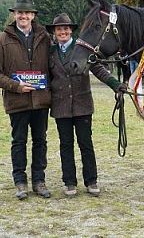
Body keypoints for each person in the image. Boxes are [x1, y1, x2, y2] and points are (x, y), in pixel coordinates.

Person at [46, 13, 127, 197]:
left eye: (66, 29)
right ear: (54, 32)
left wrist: (115, 84)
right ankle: (69, 182)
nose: (63, 32)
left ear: (71, 31)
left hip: (82, 104)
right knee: (65, 145)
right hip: (61, 106)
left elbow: (98, 69)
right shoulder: (50, 52)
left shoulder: (82, 49)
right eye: (59, 29)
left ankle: (91, 181)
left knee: (85, 144)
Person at [0, 0, 51, 200]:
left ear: (32, 15)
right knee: (18, 141)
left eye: (27, 12)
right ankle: (20, 182)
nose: (23, 16)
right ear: (14, 15)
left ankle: (39, 180)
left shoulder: (45, 37)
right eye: (19, 12)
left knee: (40, 141)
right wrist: (16, 86)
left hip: (40, 101)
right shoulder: (3, 39)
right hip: (17, 101)